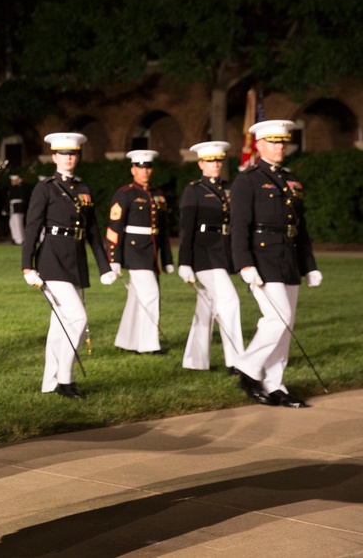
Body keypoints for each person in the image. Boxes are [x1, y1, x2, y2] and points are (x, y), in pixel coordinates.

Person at [230, 120, 321, 408]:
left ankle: (275, 385)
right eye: (272, 141)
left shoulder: (291, 180)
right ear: (258, 145)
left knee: (286, 325)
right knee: (277, 317)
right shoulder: (248, 179)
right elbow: (239, 226)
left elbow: (299, 227)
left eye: (282, 142)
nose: (279, 146)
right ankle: (247, 367)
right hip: (262, 257)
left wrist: (310, 265)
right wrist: (245, 263)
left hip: (288, 258)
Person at [22, 133, 116, 398]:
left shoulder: (83, 189)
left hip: (75, 261)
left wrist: (104, 266)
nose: (69, 158)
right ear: (54, 157)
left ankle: (50, 382)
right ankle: (65, 379)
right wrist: (27, 267)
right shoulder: (46, 188)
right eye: (63, 154)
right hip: (51, 260)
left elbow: (93, 231)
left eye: (73, 153)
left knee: (60, 324)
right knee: (77, 318)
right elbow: (32, 228)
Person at [178, 141, 244, 372]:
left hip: (223, 252)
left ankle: (195, 361)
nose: (215, 165)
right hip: (204, 254)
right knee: (229, 301)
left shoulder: (229, 188)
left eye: (218, 160)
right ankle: (236, 361)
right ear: (201, 164)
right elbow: (186, 229)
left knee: (206, 307)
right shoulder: (193, 190)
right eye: (210, 161)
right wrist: (184, 262)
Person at [106, 149, 174, 354]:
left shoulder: (157, 196)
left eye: (148, 167)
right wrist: (114, 258)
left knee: (137, 298)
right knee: (151, 294)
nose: (144, 172)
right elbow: (114, 227)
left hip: (151, 252)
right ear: (133, 169)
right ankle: (148, 345)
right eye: (140, 168)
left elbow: (163, 231)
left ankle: (126, 341)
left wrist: (167, 259)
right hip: (134, 252)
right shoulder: (125, 194)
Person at [6, 174, 31, 245]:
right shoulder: (12, 189)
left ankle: (20, 239)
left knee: (18, 224)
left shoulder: (20, 188)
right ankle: (15, 238)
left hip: (18, 209)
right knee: (12, 224)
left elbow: (23, 198)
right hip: (13, 209)